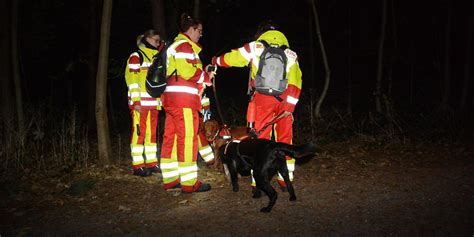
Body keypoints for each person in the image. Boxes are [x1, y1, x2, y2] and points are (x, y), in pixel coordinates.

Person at [212, 20, 303, 191]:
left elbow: (233, 58)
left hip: (262, 100)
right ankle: (286, 180)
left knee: (260, 142)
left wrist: (216, 61)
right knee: (285, 140)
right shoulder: (291, 54)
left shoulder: (256, 47)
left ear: (261, 33)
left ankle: (258, 182)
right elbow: (296, 82)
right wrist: (289, 107)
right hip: (284, 101)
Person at [160, 13, 215, 193]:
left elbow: (184, 71)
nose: (201, 34)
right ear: (190, 30)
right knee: (187, 140)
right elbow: (186, 71)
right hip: (183, 102)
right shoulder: (184, 46)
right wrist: (206, 77)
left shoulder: (174, 45)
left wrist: (202, 75)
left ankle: (170, 179)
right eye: (199, 31)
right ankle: (189, 183)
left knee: (171, 139)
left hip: (171, 100)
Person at [124, 30, 163, 177]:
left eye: (159, 41)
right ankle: (138, 166)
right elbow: (132, 82)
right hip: (140, 105)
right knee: (139, 134)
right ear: (147, 39)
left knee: (151, 135)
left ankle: (152, 163)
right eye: (156, 40)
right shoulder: (136, 56)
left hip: (153, 104)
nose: (158, 43)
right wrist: (136, 102)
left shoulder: (155, 58)